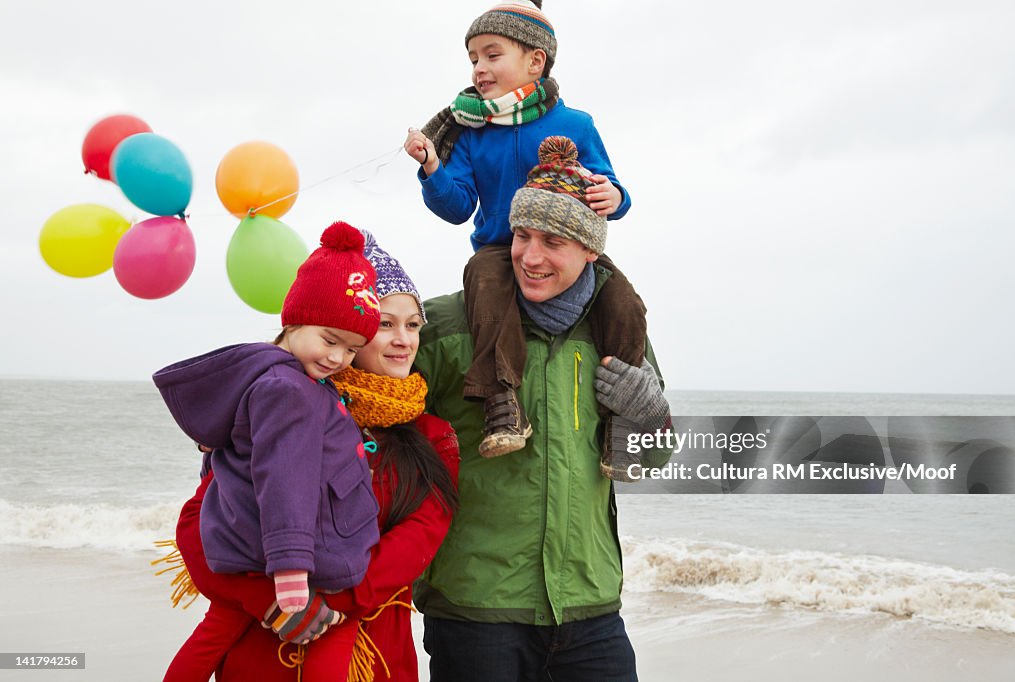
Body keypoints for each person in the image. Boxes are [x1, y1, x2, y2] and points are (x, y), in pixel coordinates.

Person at [412, 137, 674, 681]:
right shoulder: (445, 328)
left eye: (553, 241)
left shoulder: (620, 336)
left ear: (590, 251)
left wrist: (649, 416)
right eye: (522, 236)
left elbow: (650, 459)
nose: (530, 257)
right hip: (476, 607)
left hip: (589, 605)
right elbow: (360, 416)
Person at [164, 231, 460, 681]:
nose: (403, 340)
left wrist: (329, 606)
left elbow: (418, 540)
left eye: (413, 324)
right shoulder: (274, 406)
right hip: (263, 646)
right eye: (384, 324)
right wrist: (267, 601)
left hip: (369, 651)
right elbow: (199, 523)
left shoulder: (431, 436)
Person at [403, 0, 649, 477]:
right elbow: (456, 208)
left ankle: (621, 427)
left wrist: (612, 195)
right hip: (500, 249)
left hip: (568, 247)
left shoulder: (576, 125)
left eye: (492, 55)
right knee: (483, 278)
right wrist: (432, 166)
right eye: (473, 58)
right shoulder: (473, 131)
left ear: (535, 61)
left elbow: (614, 192)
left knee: (624, 302)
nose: (479, 68)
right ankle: (501, 403)